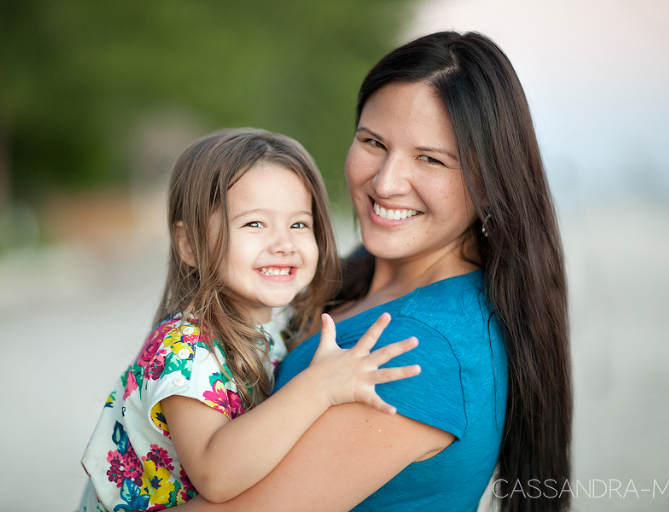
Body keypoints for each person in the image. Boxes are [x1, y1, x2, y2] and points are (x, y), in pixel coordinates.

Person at [171, 31, 571, 512]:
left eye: (430, 159)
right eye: (374, 142)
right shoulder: (334, 278)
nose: (385, 182)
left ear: (489, 184)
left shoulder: (420, 348)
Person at [78, 128, 422, 512]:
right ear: (191, 244)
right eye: (255, 224)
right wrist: (319, 387)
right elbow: (217, 475)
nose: (283, 243)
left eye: (298, 224)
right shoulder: (184, 350)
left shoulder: (281, 323)